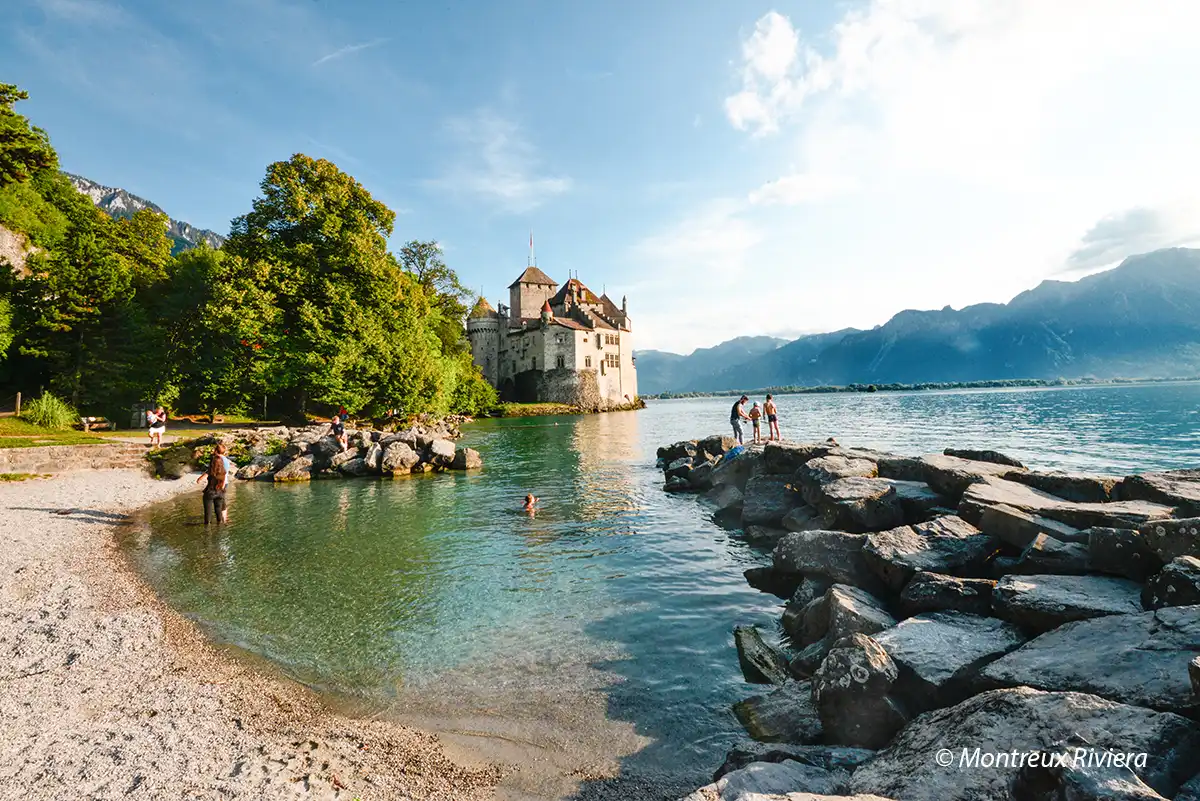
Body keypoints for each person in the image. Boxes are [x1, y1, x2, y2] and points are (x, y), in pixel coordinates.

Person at [195, 445, 229, 525]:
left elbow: (199, 480)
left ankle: (208, 529)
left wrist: (200, 479)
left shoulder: (211, 471)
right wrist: (222, 490)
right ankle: (221, 523)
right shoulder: (223, 472)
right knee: (219, 509)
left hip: (210, 492)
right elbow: (224, 481)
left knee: (208, 512)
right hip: (220, 491)